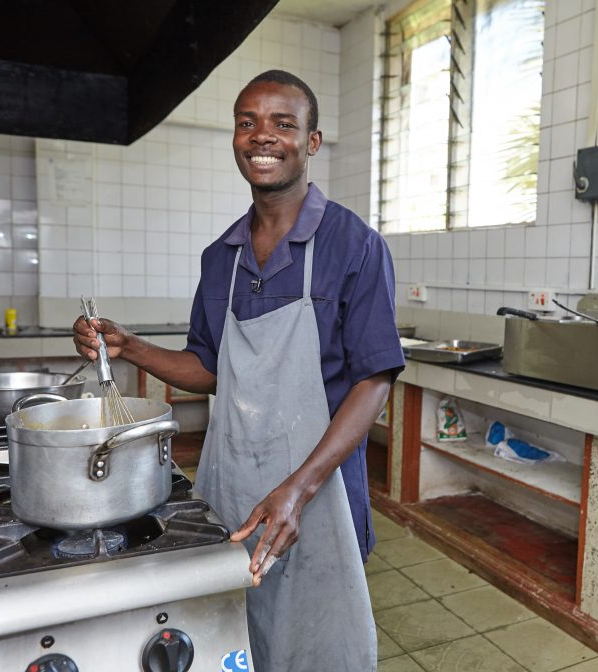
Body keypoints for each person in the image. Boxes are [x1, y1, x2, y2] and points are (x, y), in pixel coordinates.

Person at [72, 70, 404, 672]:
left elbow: (373, 380)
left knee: (319, 645)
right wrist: (128, 346)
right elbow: (207, 368)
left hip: (319, 492)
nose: (262, 136)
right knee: (240, 639)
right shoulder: (219, 258)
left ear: (313, 141)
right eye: (247, 122)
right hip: (235, 489)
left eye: (283, 123)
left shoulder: (352, 244)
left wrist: (298, 490)